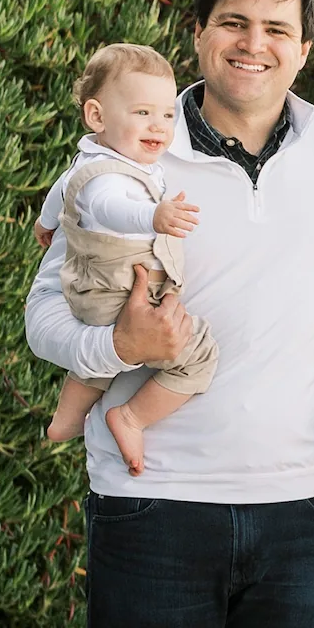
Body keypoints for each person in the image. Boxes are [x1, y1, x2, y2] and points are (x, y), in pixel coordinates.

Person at [24, 0, 314, 628]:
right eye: (233, 23)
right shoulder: (134, 154)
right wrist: (117, 344)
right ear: (199, 37)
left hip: (295, 510)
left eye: (276, 29)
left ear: (303, 50)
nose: (253, 44)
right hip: (152, 501)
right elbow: (43, 315)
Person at [36, 43, 217, 479]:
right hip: (119, 288)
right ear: (97, 116)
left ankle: (65, 421)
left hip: (100, 294)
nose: (158, 126)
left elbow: (60, 194)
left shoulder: (89, 161)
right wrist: (153, 215)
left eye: (167, 115)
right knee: (198, 355)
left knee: (101, 359)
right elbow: (111, 206)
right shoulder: (110, 177)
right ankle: (131, 417)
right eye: (142, 113)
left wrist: (45, 224)